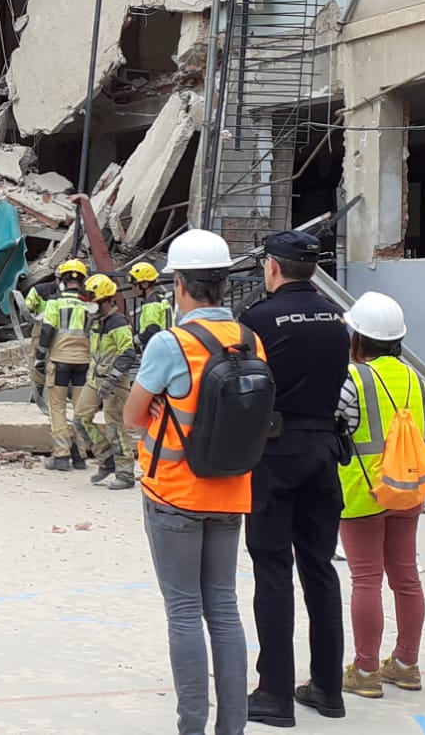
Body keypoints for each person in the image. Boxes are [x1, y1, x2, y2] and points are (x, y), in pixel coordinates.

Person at [122, 229, 260, 735]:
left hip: (175, 493)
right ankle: (233, 726)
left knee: (183, 611)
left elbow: (133, 415)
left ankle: (191, 726)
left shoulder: (169, 342)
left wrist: (160, 405)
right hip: (231, 488)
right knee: (223, 608)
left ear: (178, 285)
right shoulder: (250, 339)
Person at [238, 230, 351, 727]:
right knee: (321, 571)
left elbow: (241, 388)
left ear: (273, 267)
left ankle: (275, 693)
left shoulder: (258, 319)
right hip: (324, 451)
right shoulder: (338, 320)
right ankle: (328, 688)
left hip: (274, 453)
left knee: (272, 572)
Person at [334, 291, 425, 700]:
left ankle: (366, 669)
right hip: (409, 488)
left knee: (366, 580)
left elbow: (336, 421)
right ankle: (406, 664)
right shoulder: (415, 377)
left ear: (358, 338)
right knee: (406, 577)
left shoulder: (353, 379)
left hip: (363, 492)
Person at [72, 272, 139, 490]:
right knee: (81, 419)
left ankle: (125, 472)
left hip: (115, 383)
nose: (90, 307)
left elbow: (128, 353)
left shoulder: (118, 323)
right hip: (94, 379)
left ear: (105, 300)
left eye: (93, 303)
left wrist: (113, 378)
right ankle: (106, 458)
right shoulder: (95, 322)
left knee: (115, 427)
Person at [34, 259, 95, 471]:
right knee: (80, 409)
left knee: (57, 407)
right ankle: (80, 455)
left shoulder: (55, 303)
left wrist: (40, 358)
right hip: (83, 363)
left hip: (59, 361)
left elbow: (47, 331)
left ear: (63, 279)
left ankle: (61, 456)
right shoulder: (90, 304)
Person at [128, 261, 174, 345]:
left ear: (145, 284)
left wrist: (134, 341)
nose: (133, 289)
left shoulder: (151, 304)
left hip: (157, 348)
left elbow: (151, 331)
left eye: (135, 285)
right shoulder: (160, 299)